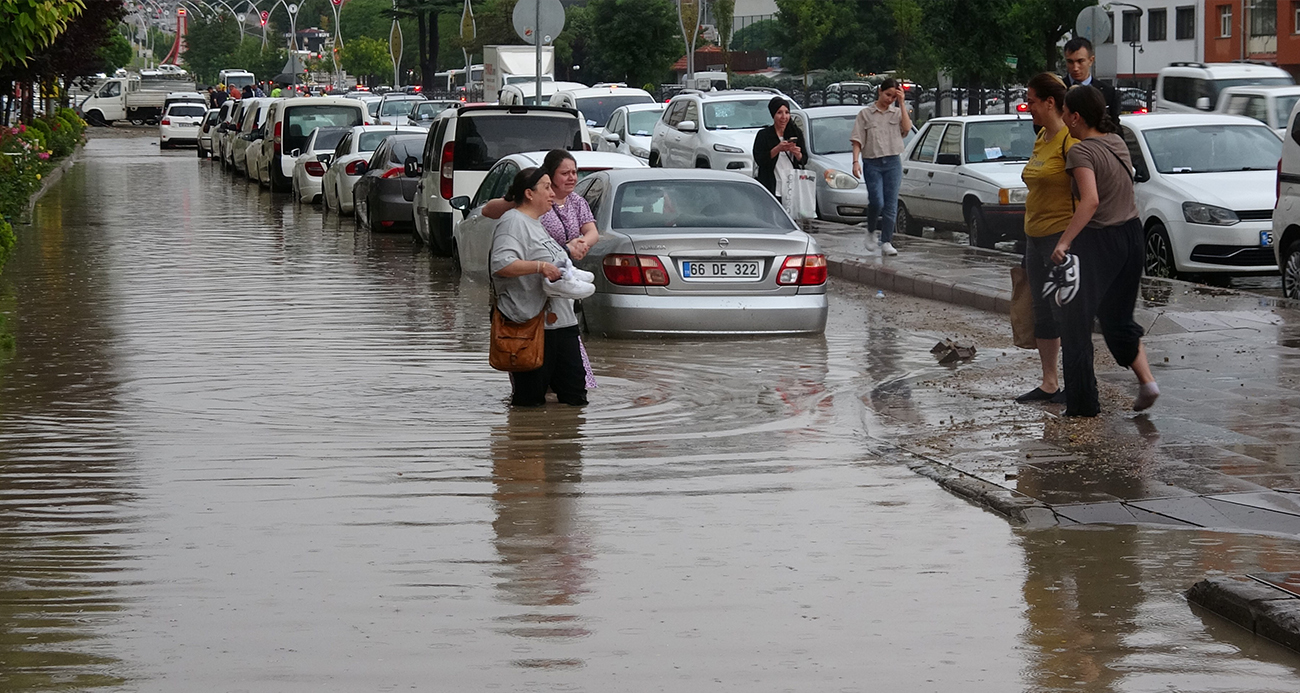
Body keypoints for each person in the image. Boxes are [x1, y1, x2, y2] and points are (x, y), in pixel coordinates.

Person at [1049, 85, 1158, 417]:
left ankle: (1082, 405)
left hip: (1101, 241)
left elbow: (1091, 200)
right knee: (1117, 317)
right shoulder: (1117, 142)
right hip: (1132, 236)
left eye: (1065, 111)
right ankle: (1148, 382)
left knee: (1076, 321)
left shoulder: (1081, 152)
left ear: (1076, 117)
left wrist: (1064, 242)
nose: (1062, 116)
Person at [484, 150, 600, 390]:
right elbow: (501, 264)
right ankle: (528, 428)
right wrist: (542, 266)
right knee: (532, 396)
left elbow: (567, 245)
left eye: (574, 173)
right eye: (548, 186)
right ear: (529, 193)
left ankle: (566, 427)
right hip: (530, 322)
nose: (552, 193)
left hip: (561, 319)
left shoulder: (551, 214)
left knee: (575, 391)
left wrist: (572, 253)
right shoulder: (514, 220)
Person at [1015, 73, 1077, 405]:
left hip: (1059, 236)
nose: (1029, 108)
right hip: (1033, 233)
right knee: (1040, 310)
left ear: (1050, 103)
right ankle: (1049, 382)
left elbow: (1085, 192)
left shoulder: (1071, 140)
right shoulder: (1042, 137)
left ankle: (1076, 380)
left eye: (1033, 102)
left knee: (1063, 310)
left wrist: (1070, 240)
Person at [850, 78, 911, 256]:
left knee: (891, 203)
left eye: (893, 96)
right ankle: (870, 231)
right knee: (877, 201)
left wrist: (901, 102)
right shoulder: (865, 114)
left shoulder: (897, 113)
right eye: (887, 94)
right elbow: (857, 139)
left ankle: (886, 241)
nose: (889, 99)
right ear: (879, 92)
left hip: (892, 162)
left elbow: (907, 128)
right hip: (872, 162)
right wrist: (855, 162)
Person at [752, 96, 807, 200]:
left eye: (787, 112)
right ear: (773, 115)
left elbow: (804, 159)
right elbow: (760, 159)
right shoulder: (764, 135)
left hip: (792, 185)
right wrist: (777, 148)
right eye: (779, 113)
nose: (784, 117)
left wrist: (797, 153)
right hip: (771, 184)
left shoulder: (795, 132)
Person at [1062, 37, 1121, 126]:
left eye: (1080, 61)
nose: (1075, 68)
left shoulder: (1109, 93)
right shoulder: (1057, 89)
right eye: (1070, 62)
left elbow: (1115, 128)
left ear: (1091, 60)